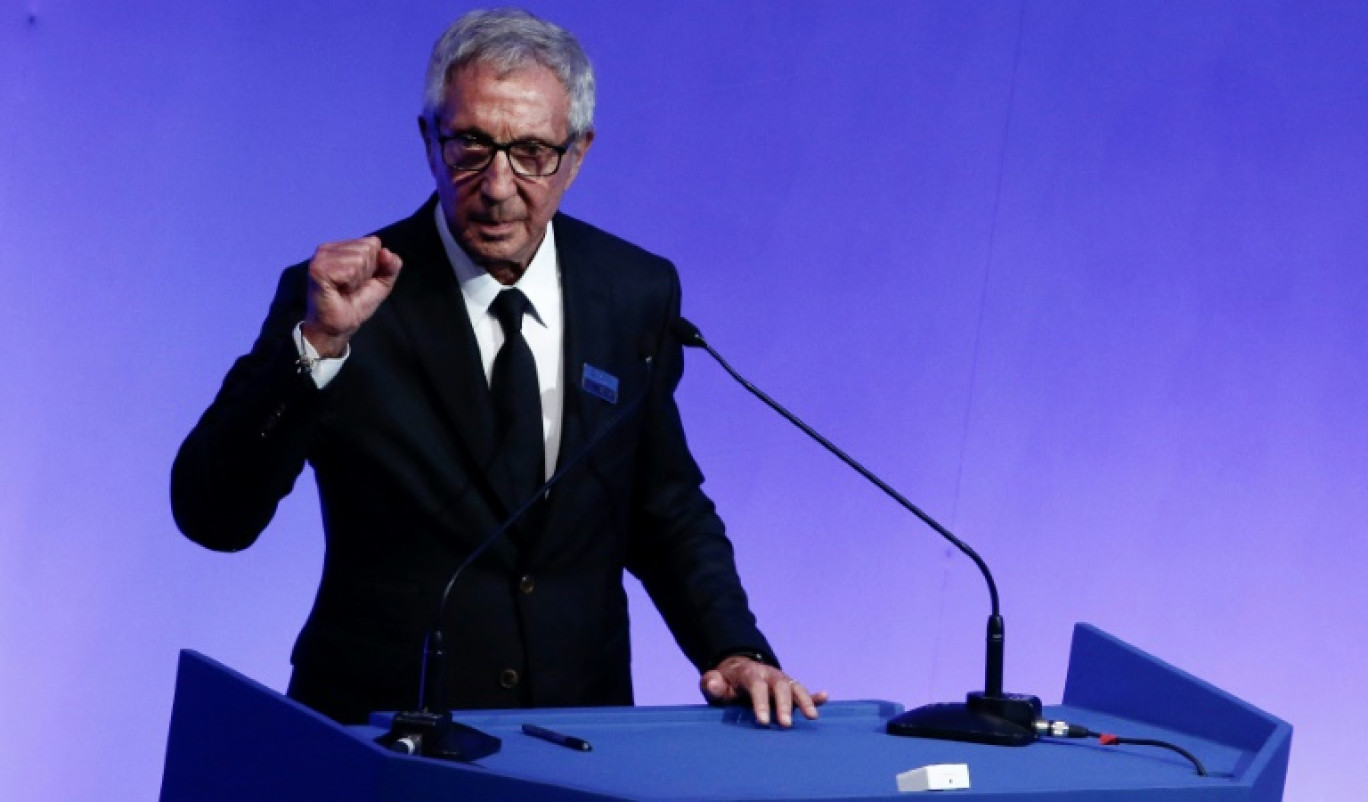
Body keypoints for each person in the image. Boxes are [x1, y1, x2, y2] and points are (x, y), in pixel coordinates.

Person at [172, 8, 825, 728]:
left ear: (577, 156)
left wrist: (733, 648)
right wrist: (315, 349)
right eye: (472, 147)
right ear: (429, 142)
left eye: (534, 153)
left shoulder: (633, 292)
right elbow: (213, 517)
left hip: (579, 736)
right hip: (387, 733)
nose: (499, 185)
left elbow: (664, 509)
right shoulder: (342, 297)